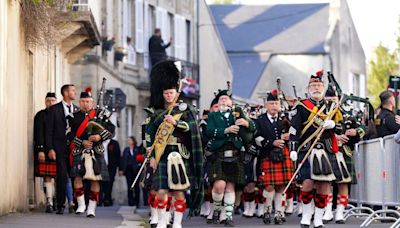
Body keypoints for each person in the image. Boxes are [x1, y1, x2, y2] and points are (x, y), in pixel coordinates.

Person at [146, 60, 203, 228]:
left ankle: (177, 222)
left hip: (180, 154)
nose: (168, 96)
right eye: (166, 93)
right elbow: (149, 136)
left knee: (178, 191)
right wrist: (151, 157)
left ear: (177, 94)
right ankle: (163, 221)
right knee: (162, 191)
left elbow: (191, 129)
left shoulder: (186, 111)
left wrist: (175, 122)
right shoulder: (156, 113)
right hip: (162, 154)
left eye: (171, 93)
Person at [288, 71, 342, 228]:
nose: (316, 88)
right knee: (307, 182)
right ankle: (306, 214)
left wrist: (333, 125)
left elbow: (340, 127)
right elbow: (294, 129)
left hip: (325, 149)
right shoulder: (301, 106)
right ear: (308, 88)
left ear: (323, 87)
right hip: (306, 148)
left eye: (319, 85)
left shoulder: (332, 106)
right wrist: (292, 148)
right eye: (313, 85)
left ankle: (318, 217)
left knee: (325, 184)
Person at [206, 83, 256, 226]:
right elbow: (209, 132)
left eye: (226, 99)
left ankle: (227, 216)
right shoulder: (213, 116)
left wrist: (246, 123)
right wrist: (226, 131)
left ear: (231, 102)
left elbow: (253, 128)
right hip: (219, 153)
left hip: (235, 154)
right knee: (219, 186)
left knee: (230, 187)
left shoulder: (238, 112)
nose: (223, 100)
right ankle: (216, 209)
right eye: (221, 98)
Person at [322, 85, 365, 224]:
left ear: (338, 100)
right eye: (328, 100)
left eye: (334, 100)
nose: (331, 102)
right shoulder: (320, 114)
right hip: (327, 151)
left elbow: (362, 127)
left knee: (343, 183)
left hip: (344, 153)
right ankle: (327, 210)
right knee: (326, 182)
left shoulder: (346, 115)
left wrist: (356, 132)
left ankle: (340, 212)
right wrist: (335, 137)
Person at [70, 91, 115, 217]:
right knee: (77, 178)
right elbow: (68, 134)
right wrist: (81, 142)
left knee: (96, 179)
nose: (86, 104)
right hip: (80, 150)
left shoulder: (100, 115)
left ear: (92, 102)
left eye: (88, 101)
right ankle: (81, 205)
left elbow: (112, 130)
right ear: (79, 102)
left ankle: (91, 207)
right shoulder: (73, 117)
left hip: (96, 151)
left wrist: (99, 136)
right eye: (83, 101)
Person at [254, 90, 294, 225]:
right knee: (269, 186)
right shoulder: (259, 120)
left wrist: (289, 136)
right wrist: (272, 142)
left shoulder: (285, 119)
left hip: (283, 156)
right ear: (266, 105)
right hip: (266, 155)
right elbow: (256, 138)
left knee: (282, 187)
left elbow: (295, 133)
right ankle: (267, 210)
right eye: (271, 103)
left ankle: (279, 212)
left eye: (276, 103)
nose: (274, 106)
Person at [45, 84, 78, 214]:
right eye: (73, 90)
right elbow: (49, 131)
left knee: (76, 176)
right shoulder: (54, 109)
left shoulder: (76, 110)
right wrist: (50, 148)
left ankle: (76, 203)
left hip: (74, 149)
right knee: (62, 177)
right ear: (65, 93)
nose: (75, 92)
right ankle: (60, 205)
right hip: (59, 148)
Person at [34, 92, 58, 213]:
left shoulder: (61, 115)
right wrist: (41, 150)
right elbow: (38, 134)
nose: (50, 103)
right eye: (48, 100)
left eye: (53, 100)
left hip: (59, 150)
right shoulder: (40, 115)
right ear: (45, 101)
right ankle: (49, 201)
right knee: (47, 176)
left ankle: (59, 200)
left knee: (61, 178)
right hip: (45, 150)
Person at [121, 136, 142, 207]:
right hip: (128, 170)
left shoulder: (137, 149)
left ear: (133, 141)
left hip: (136, 170)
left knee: (136, 186)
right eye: (128, 140)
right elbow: (123, 159)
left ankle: (137, 202)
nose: (129, 141)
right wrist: (122, 169)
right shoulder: (126, 150)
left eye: (130, 140)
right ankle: (131, 201)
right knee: (129, 186)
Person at [101, 137, 121, 206]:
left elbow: (118, 155)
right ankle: (101, 199)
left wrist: (120, 168)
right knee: (102, 183)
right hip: (101, 166)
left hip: (111, 167)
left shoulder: (114, 143)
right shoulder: (100, 143)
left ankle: (107, 199)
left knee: (110, 183)